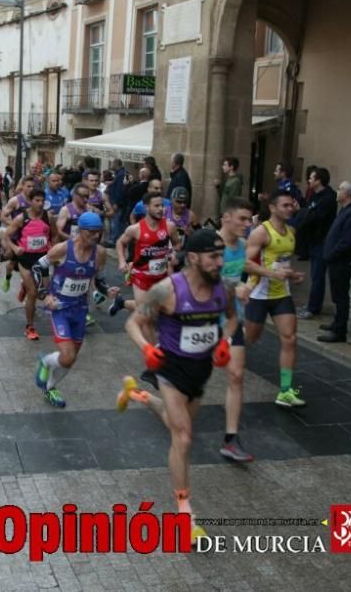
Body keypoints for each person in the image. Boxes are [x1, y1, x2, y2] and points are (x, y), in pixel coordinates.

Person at [117, 229, 236, 545]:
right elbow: (133, 323)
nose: (220, 262)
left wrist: (225, 340)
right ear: (194, 257)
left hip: (201, 371)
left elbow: (232, 319)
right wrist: (146, 348)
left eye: (222, 255)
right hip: (171, 369)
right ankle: (185, 511)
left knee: (174, 423)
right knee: (183, 437)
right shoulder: (167, 290)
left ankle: (140, 395)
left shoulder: (224, 289)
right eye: (214, 256)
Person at [26, 212, 116, 408]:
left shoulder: (99, 253)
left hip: (80, 309)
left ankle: (49, 388)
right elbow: (36, 268)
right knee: (67, 356)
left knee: (70, 360)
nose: (95, 236)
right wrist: (44, 295)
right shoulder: (62, 249)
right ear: (81, 231)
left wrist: (107, 290)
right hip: (59, 308)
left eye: (98, 232)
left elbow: (99, 279)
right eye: (91, 232)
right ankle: (46, 362)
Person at [245, 190, 306, 408]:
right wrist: (272, 274)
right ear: (272, 208)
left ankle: (285, 390)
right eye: (285, 205)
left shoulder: (291, 231)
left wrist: (292, 273)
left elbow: (282, 262)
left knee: (289, 338)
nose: (290, 209)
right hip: (259, 293)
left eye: (292, 205)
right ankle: (227, 341)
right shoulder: (261, 233)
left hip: (282, 294)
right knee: (250, 338)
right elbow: (246, 264)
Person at [217, 197, 257, 461]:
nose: (247, 224)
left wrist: (252, 284)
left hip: (232, 321)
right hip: (203, 320)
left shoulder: (242, 245)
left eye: (249, 219)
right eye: (242, 219)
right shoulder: (210, 245)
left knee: (237, 375)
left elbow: (246, 268)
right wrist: (234, 288)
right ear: (226, 218)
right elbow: (201, 283)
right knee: (187, 381)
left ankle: (231, 439)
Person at [112, 192, 179, 322]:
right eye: (156, 206)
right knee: (146, 314)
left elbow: (177, 244)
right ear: (146, 207)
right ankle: (149, 342)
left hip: (162, 276)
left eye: (162, 206)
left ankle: (122, 303)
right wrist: (121, 260)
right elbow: (120, 242)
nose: (161, 209)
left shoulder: (170, 227)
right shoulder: (135, 229)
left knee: (162, 309)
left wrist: (173, 254)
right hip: (141, 276)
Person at [318, 181, 351, 343]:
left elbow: (347, 242)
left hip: (342, 261)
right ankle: (337, 323)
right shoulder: (347, 210)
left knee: (341, 296)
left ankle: (340, 331)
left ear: (348, 194)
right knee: (338, 295)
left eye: (340, 189)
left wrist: (331, 254)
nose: (337, 192)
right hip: (336, 260)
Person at [4, 189, 53, 341]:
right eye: (36, 200)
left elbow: (55, 234)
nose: (39, 204)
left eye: (42, 201)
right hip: (25, 259)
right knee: (33, 293)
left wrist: (53, 249)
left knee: (43, 293)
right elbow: (6, 235)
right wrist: (14, 248)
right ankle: (30, 327)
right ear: (30, 201)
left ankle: (25, 286)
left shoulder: (48, 217)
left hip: (43, 259)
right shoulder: (21, 218)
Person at [296, 167, 337, 320]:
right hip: (313, 240)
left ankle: (313, 307)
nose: (309, 180)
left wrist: (302, 213)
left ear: (319, 180)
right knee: (315, 275)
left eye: (312, 178)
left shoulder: (328, 198)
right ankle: (312, 304)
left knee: (318, 275)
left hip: (322, 241)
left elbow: (313, 216)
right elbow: (308, 212)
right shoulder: (315, 195)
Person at [0, 176, 36, 292]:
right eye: (28, 186)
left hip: (31, 238)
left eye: (33, 186)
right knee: (12, 263)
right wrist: (15, 224)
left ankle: (25, 285)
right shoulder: (16, 200)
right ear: (23, 186)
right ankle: (7, 278)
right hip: (17, 238)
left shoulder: (36, 200)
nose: (31, 188)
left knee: (29, 266)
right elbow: (2, 217)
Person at [108, 159, 130, 245]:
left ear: (116, 164)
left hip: (119, 203)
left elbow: (121, 190)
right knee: (119, 221)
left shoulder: (121, 174)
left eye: (112, 163)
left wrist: (116, 202)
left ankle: (115, 240)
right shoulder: (123, 173)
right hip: (122, 202)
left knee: (117, 221)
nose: (111, 165)